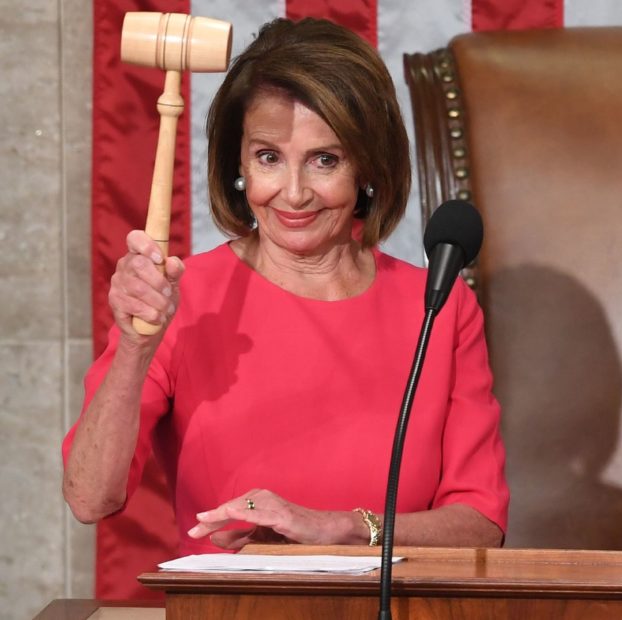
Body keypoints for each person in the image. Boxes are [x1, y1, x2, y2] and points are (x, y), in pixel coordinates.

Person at [62, 17, 508, 555]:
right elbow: (90, 498)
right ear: (240, 164)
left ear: (369, 165)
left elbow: (480, 523)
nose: (294, 194)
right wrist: (135, 347)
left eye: (325, 159)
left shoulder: (439, 306)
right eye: (269, 157)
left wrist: (338, 528)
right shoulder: (183, 298)